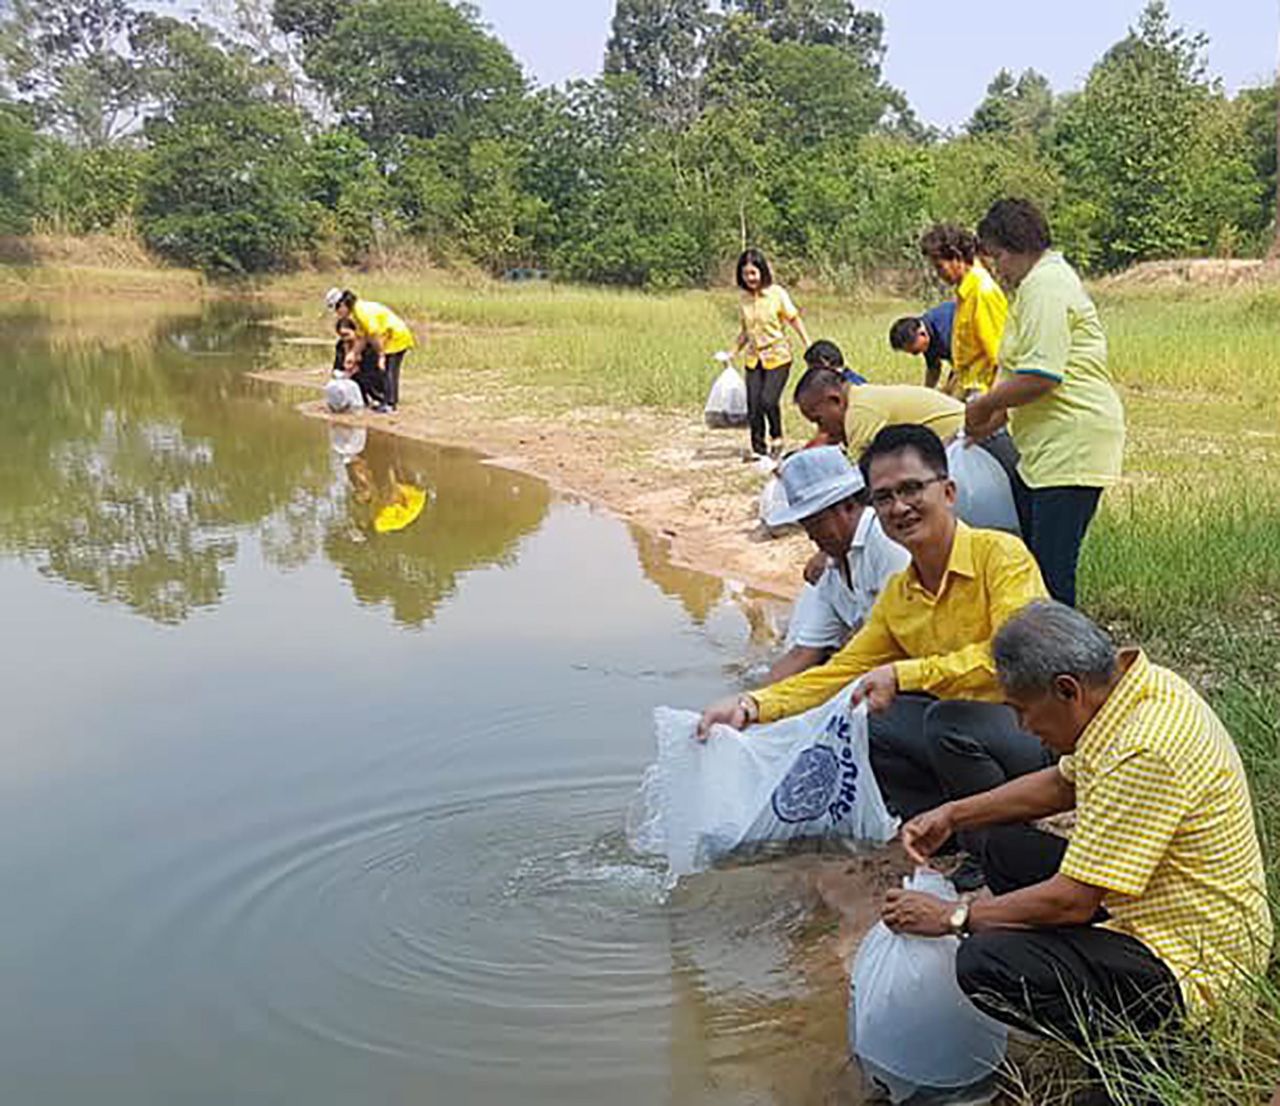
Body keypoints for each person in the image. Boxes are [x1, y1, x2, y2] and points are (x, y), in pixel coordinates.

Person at [883, 600, 1272, 1080]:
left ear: (1067, 690)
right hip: (1155, 903)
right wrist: (954, 813)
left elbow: (1073, 903)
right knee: (1004, 848)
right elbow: (1062, 784)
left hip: (1193, 962)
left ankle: (1149, 1057)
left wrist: (953, 916)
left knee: (986, 961)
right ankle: (1096, 990)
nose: (1024, 728)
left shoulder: (1142, 750)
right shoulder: (1136, 692)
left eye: (1023, 712)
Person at [698, 425, 1053, 886]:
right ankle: (941, 830)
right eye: (884, 497)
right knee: (860, 711)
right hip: (960, 730)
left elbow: (1013, 665)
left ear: (947, 491)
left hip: (1030, 732)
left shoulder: (1001, 558)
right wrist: (751, 705)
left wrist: (903, 674)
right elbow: (839, 672)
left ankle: (994, 845)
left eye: (911, 489)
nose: (899, 507)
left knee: (948, 722)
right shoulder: (900, 595)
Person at [964, 199, 1125, 607]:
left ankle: (1066, 663)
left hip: (1071, 441)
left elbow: (1040, 376)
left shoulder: (1045, 286)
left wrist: (983, 406)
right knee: (1037, 564)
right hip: (1048, 447)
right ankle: (1049, 655)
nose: (997, 268)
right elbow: (1018, 371)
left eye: (998, 256)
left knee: (1052, 572)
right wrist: (983, 423)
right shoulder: (1037, 286)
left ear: (1018, 245)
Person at [764, 446, 910, 684]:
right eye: (806, 525)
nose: (811, 536)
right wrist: (753, 703)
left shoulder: (887, 545)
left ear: (849, 507)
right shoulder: (833, 568)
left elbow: (890, 640)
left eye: (817, 523)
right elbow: (804, 652)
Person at [725, 249, 811, 460]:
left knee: (768, 400)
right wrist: (732, 353)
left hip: (778, 356)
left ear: (762, 271)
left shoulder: (776, 294)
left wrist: (808, 343)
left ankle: (777, 438)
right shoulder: (744, 299)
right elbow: (745, 332)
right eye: (746, 274)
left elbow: (794, 319)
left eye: (753, 273)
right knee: (753, 404)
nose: (750, 278)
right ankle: (758, 449)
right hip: (754, 358)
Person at [793, 365, 963, 458]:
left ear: (835, 400)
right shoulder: (861, 396)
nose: (821, 430)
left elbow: (857, 478)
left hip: (963, 444)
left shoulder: (859, 412)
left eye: (819, 421)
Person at [920, 224, 1007, 397]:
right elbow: (967, 359)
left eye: (939, 267)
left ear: (957, 258)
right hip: (966, 388)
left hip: (982, 393)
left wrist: (992, 405)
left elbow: (998, 358)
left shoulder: (982, 292)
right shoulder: (965, 292)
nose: (938, 274)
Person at [325, 288, 416, 412]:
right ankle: (386, 401)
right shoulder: (356, 312)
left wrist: (381, 355)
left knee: (389, 370)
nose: (338, 314)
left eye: (337, 309)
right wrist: (353, 354)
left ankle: (390, 404)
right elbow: (362, 337)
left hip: (395, 337)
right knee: (387, 371)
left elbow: (374, 335)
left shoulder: (362, 312)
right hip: (388, 338)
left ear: (342, 304)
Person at [888, 301, 955, 390]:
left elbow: (962, 369)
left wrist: (948, 390)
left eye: (915, 352)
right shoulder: (926, 334)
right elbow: (934, 368)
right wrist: (927, 393)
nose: (913, 355)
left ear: (922, 334)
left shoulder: (945, 331)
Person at [334, 316, 387, 410]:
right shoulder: (340, 345)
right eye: (341, 335)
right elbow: (337, 365)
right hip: (351, 376)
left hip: (370, 377)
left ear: (355, 331)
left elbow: (372, 367)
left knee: (365, 377)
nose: (344, 339)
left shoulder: (368, 346)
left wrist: (356, 368)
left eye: (346, 334)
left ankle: (378, 398)